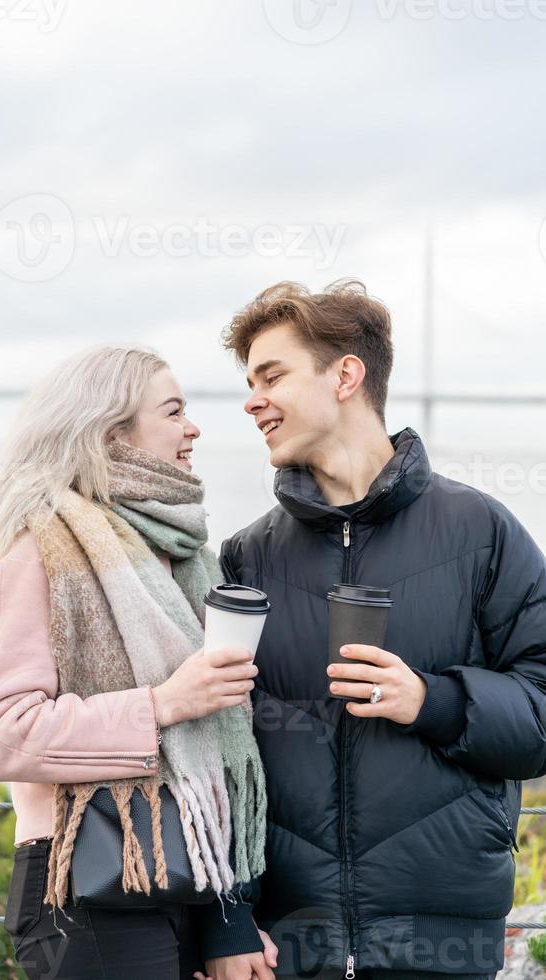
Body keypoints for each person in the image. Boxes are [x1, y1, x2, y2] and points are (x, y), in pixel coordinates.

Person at [216, 280, 546, 980]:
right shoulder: (249, 555)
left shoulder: (482, 534)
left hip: (440, 944)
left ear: (346, 374)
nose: (252, 399)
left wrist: (435, 701)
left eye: (272, 375)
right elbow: (222, 748)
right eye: (249, 382)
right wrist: (230, 921)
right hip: (286, 946)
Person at [0, 345, 279, 980]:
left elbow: (214, 746)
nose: (193, 428)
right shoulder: (35, 552)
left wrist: (229, 920)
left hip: (181, 876)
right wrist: (164, 703)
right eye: (173, 411)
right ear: (111, 434)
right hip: (81, 888)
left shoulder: (183, 556)